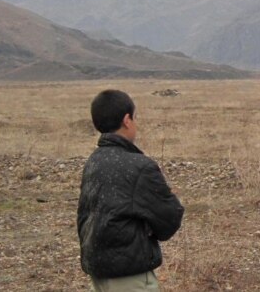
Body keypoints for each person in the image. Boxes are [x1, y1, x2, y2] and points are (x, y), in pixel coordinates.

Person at [78, 89, 184, 292]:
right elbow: (170, 218)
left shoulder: (94, 161)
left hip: (97, 272)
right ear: (127, 120)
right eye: (135, 118)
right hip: (129, 275)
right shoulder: (140, 167)